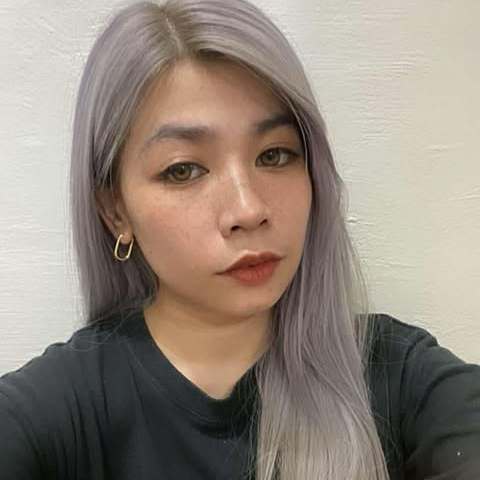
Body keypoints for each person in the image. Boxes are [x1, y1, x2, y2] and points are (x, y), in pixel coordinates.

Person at [1, 1, 479, 479]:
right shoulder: (57, 411)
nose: (248, 210)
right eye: (183, 170)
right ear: (115, 211)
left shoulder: (399, 377)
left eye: (274, 155)